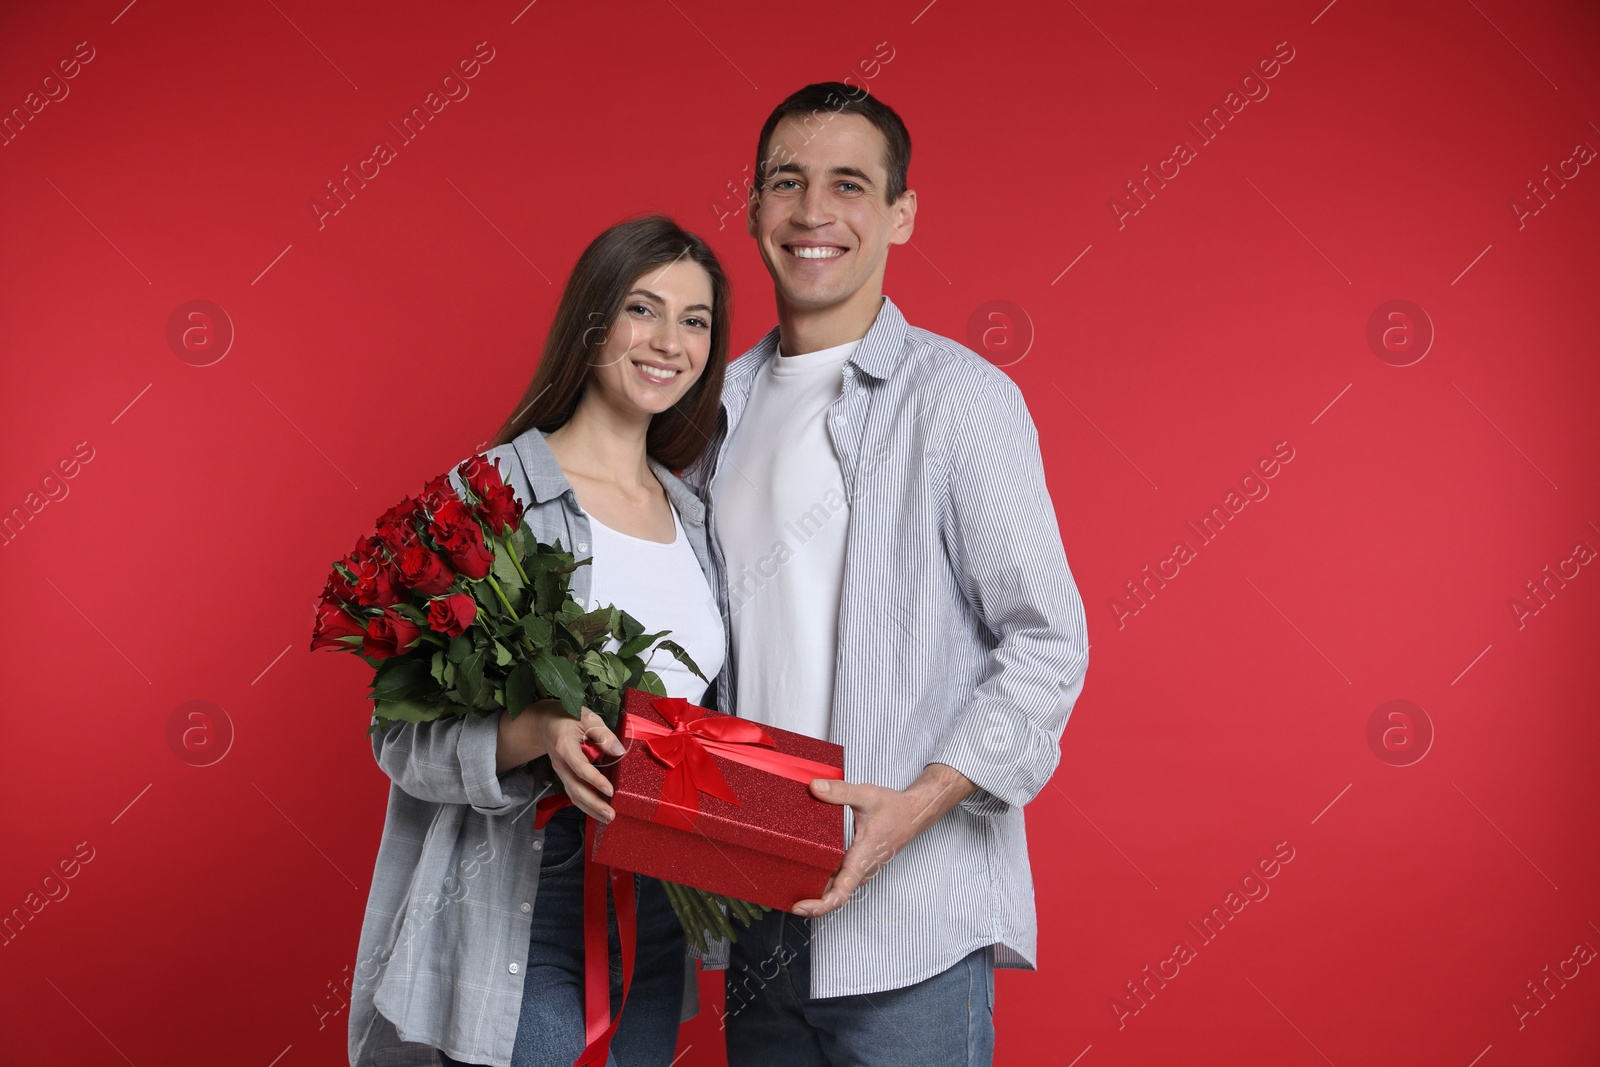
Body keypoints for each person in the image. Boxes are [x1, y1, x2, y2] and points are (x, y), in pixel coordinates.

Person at [680, 83, 1090, 1066]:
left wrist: (916, 804)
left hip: (910, 920)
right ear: (751, 207)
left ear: (899, 213)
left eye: (849, 185)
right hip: (758, 912)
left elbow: (1047, 641)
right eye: (788, 183)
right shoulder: (708, 412)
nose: (814, 212)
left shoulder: (960, 402)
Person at [348, 214, 733, 1067]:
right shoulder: (493, 495)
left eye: (696, 319)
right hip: (533, 889)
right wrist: (539, 735)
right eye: (644, 308)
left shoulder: (699, 518)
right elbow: (399, 738)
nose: (670, 340)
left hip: (662, 895)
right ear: (594, 322)